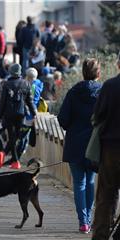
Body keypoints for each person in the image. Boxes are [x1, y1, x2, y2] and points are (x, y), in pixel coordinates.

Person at [57, 58, 102, 234]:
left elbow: (62, 119)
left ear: (83, 72)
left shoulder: (73, 92)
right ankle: (88, 219)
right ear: (98, 73)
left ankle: (83, 221)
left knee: (79, 183)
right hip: (95, 145)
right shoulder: (104, 92)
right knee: (90, 181)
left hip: (75, 143)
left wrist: (74, 127)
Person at [92, 53, 120, 240]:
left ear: (118, 64)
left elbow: (98, 116)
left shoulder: (109, 86)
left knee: (106, 195)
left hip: (111, 148)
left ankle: (101, 235)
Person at [0, 63, 37, 169]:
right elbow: (30, 101)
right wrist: (34, 113)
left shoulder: (6, 84)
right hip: (21, 114)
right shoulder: (26, 84)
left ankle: (8, 156)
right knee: (16, 137)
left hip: (8, 114)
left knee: (11, 136)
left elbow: (3, 102)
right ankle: (14, 160)